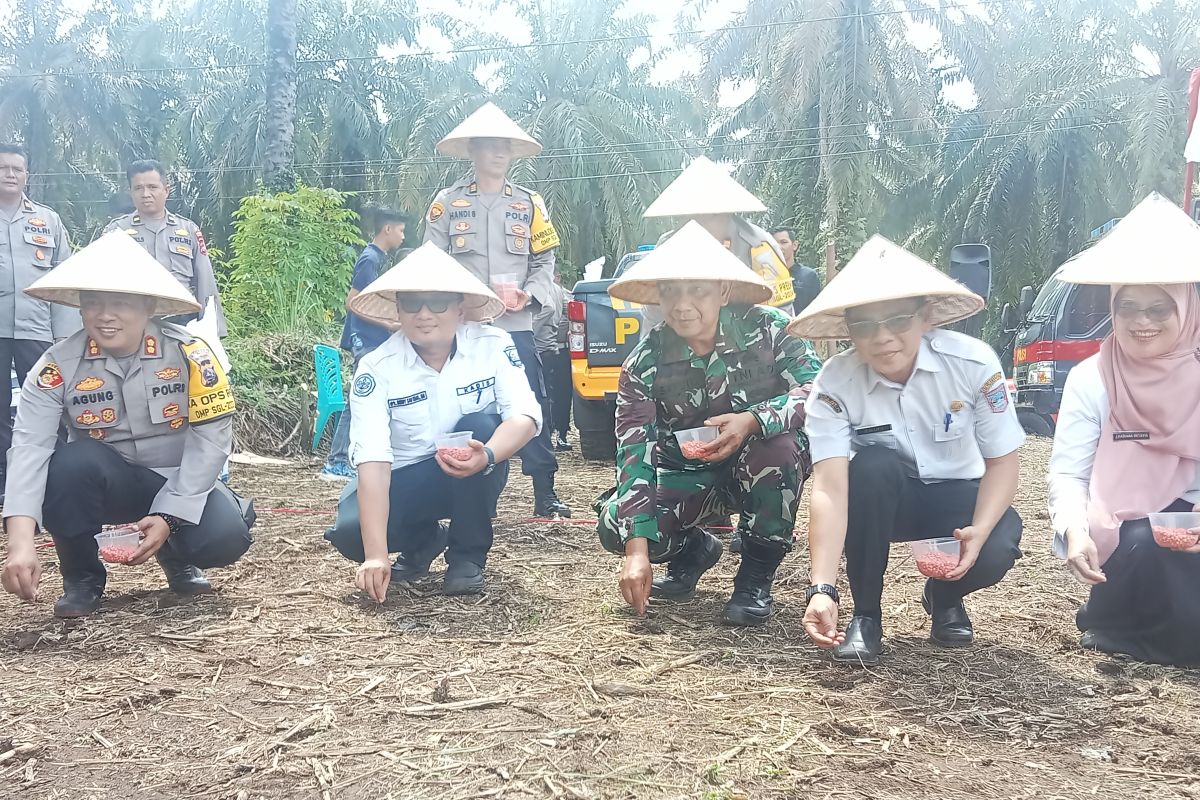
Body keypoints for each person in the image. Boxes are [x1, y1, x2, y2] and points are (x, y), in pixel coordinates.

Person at [793, 236, 1024, 667]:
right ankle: (866, 616)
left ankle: (945, 596)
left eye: (897, 319)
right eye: (864, 325)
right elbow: (829, 487)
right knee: (873, 465)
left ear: (925, 317)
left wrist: (980, 526)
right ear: (848, 329)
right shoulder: (835, 382)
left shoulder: (974, 364)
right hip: (884, 503)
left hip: (957, 496)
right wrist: (822, 587)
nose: (882, 339)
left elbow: (1003, 463)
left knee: (999, 542)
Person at [0, 231, 254, 618]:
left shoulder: (192, 355)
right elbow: (29, 447)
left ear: (148, 306)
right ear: (81, 309)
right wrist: (19, 541)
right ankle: (82, 578)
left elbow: (211, 440)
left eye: (120, 302)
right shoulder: (56, 367)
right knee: (67, 465)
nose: (105, 315)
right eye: (93, 303)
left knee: (225, 537)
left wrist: (169, 516)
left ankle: (178, 556)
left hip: (178, 481)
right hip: (109, 483)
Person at [596, 222, 822, 626]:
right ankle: (694, 550)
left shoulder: (769, 329)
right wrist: (636, 551)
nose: (683, 305)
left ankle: (755, 578)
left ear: (722, 290)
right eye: (671, 292)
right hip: (688, 473)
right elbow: (635, 454)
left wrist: (753, 421)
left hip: (760, 469)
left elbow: (820, 392)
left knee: (778, 448)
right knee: (617, 522)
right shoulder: (644, 362)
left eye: (697, 290)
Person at [324, 243, 541, 598]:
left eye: (437, 302)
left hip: (479, 464)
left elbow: (525, 416)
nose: (424, 314)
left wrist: (485, 455)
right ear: (398, 309)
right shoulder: (377, 368)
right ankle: (425, 541)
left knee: (480, 427)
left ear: (460, 308)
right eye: (412, 303)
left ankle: (467, 558)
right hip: (407, 475)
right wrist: (377, 556)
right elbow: (373, 460)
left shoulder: (493, 344)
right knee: (349, 532)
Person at [1047, 193, 1200, 666]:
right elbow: (1069, 474)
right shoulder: (1092, 377)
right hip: (1127, 530)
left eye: (1159, 308)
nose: (1141, 321)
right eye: (1128, 306)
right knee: (1144, 541)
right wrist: (1074, 530)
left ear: (1187, 307)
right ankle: (1117, 622)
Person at [424, 102, 569, 518]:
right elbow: (430, 263)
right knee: (455, 400)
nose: (499, 153)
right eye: (490, 146)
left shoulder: (530, 204)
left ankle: (546, 492)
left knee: (529, 402)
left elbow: (545, 260)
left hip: (515, 323)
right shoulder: (447, 203)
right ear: (473, 151)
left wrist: (530, 293)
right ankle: (452, 485)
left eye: (505, 146)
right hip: (460, 325)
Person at [0, 144, 80, 494]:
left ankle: (53, 478)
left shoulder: (47, 221)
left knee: (49, 402)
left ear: (27, 175)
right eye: (4, 168)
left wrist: (66, 336)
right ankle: (6, 481)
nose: (10, 174)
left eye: (17, 168)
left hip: (38, 331)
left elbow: (64, 278)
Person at [643, 156, 796, 315]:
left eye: (704, 217)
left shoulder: (759, 247)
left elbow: (780, 315)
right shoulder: (668, 246)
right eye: (687, 218)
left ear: (725, 214)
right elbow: (653, 314)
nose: (695, 226)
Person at [320, 210, 409, 480]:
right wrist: (387, 324)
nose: (403, 236)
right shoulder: (370, 259)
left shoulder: (379, 259)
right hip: (366, 340)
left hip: (373, 339)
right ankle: (336, 461)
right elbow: (353, 302)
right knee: (357, 400)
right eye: (401, 230)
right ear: (388, 230)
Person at [102, 159, 227, 336]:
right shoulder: (116, 232)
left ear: (166, 190)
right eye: (138, 188)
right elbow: (100, 283)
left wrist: (214, 329)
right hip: (131, 326)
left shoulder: (188, 230)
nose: (145, 194)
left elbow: (205, 282)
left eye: (152, 187)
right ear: (131, 192)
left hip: (182, 324)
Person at [534, 272, 572, 451]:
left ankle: (545, 435)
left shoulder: (540, 289)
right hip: (557, 349)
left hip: (539, 349)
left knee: (543, 394)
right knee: (561, 394)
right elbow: (568, 313)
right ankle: (562, 435)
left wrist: (529, 331)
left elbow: (548, 309)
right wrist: (557, 335)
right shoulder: (560, 290)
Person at [770, 226, 822, 314]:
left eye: (783, 242)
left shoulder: (808, 276)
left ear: (794, 245)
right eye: (774, 243)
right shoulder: (766, 277)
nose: (778, 247)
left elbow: (816, 313)